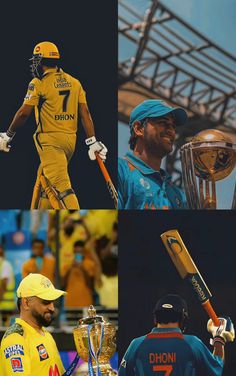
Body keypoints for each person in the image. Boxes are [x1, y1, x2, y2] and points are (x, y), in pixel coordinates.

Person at [0, 41, 108, 209]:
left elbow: (23, 113)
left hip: (50, 142)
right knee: (44, 183)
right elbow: (85, 114)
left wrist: (8, 135)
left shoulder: (38, 83)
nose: (34, 64)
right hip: (70, 142)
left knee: (63, 188)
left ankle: (79, 224)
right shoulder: (74, 82)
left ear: (41, 61)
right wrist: (92, 141)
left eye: (36, 59)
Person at [0, 273, 102, 376]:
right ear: (26, 303)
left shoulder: (46, 335)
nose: (52, 308)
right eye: (45, 302)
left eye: (53, 302)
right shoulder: (15, 338)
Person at [119, 294, 235, 376]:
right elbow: (216, 370)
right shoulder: (192, 343)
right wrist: (219, 339)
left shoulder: (137, 344)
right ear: (183, 318)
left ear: (155, 318)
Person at [118, 99, 188, 209]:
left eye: (173, 126)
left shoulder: (178, 194)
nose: (171, 131)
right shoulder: (119, 170)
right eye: (163, 123)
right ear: (138, 129)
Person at [61, 240, 101, 308]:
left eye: (80, 252)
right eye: (76, 252)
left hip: (86, 302)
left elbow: (91, 285)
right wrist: (70, 269)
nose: (78, 254)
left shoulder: (90, 264)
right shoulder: (67, 266)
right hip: (70, 303)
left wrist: (82, 268)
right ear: (73, 252)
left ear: (84, 252)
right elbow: (62, 284)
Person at [0, 245, 16, 325]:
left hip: (5, 306)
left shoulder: (5, 265)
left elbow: (3, 285)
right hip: (3, 306)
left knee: (3, 330)